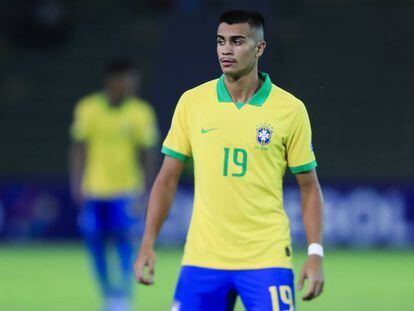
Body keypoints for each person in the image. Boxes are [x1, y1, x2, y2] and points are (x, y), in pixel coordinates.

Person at [134, 10, 324, 311]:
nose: (226, 49)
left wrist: (315, 253)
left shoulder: (290, 110)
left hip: (266, 257)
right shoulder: (193, 103)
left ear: (259, 48)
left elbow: (309, 186)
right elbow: (166, 178)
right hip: (203, 258)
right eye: (221, 41)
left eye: (237, 41)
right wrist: (147, 242)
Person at [69, 60, 159, 311]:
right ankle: (107, 292)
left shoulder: (140, 112)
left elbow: (149, 153)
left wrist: (147, 188)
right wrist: (77, 183)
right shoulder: (87, 108)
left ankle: (122, 295)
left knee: (125, 243)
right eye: (129, 79)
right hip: (94, 190)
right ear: (113, 81)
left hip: (126, 191)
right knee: (95, 243)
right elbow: (79, 148)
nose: (133, 85)